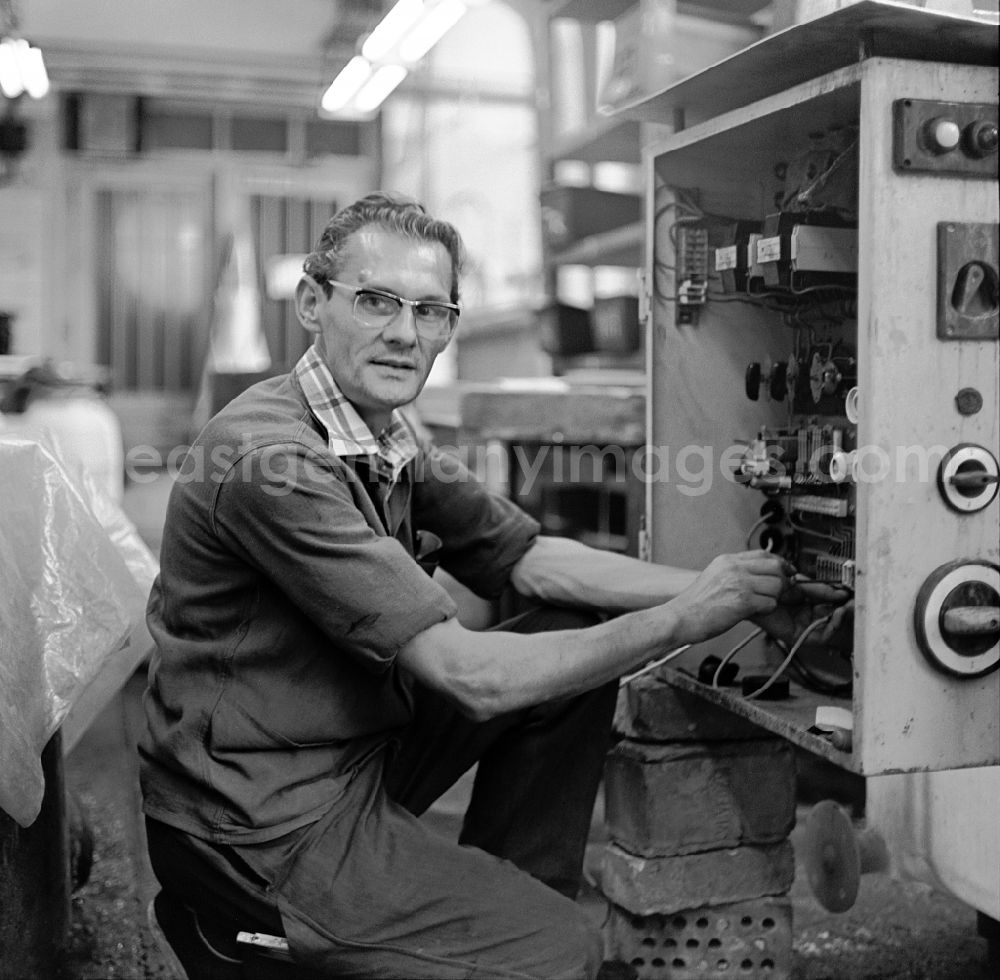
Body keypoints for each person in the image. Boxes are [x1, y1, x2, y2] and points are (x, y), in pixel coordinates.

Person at [140, 192, 846, 980]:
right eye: (375, 302)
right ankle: (277, 931)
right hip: (257, 819)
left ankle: (489, 920)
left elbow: (527, 558)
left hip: (346, 752)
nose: (405, 334)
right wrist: (687, 617)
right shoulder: (272, 460)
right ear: (314, 303)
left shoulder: (378, 430)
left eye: (431, 311)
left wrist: (728, 586)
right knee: (563, 949)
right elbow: (467, 677)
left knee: (564, 631)